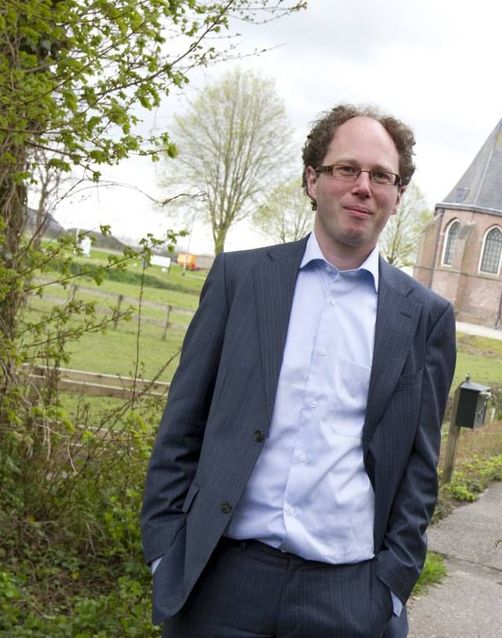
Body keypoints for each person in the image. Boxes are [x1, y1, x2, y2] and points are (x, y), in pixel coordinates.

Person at [141, 104, 457, 637]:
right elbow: (182, 425)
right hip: (220, 581)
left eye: (381, 176)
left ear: (398, 196)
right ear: (312, 179)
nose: (363, 186)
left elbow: (419, 469)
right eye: (346, 169)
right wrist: (165, 550)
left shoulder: (424, 318)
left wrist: (391, 585)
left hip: (347, 597)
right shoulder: (240, 281)